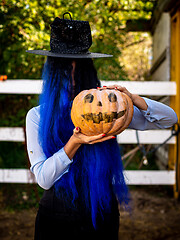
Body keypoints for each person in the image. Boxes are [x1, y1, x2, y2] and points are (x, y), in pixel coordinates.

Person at [26, 13, 178, 240]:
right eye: (65, 72)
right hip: (57, 217)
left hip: (102, 213)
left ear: (89, 72)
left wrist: (134, 98)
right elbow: (44, 179)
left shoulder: (105, 112)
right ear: (54, 76)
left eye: (80, 71)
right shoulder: (37, 116)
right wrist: (74, 143)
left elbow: (170, 119)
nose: (73, 79)